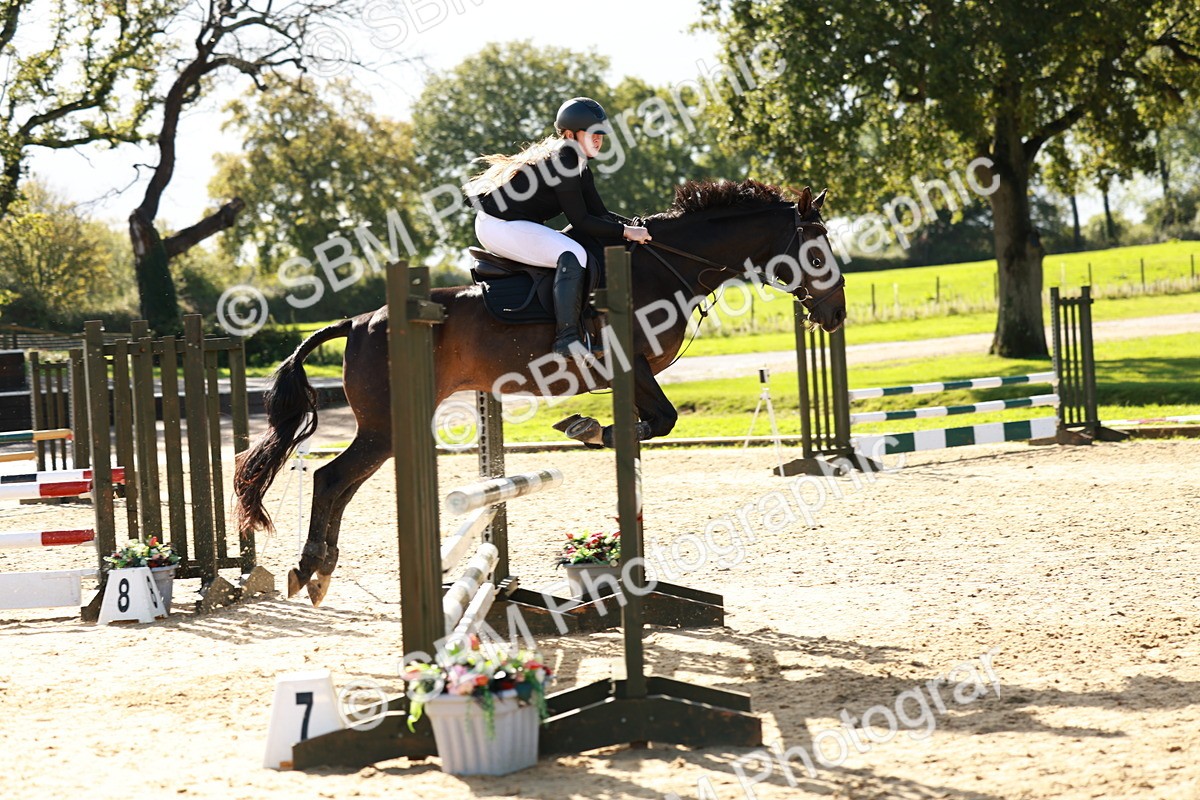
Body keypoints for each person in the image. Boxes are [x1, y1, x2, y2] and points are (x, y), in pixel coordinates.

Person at [464, 97, 651, 357]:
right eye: (592, 134)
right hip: (498, 226)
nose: (598, 140)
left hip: (510, 223)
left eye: (601, 135)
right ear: (570, 135)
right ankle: (566, 339)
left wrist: (636, 227)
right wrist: (626, 232)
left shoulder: (579, 164)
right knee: (573, 254)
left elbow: (599, 214)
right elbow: (581, 221)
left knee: (574, 249)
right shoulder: (564, 161)